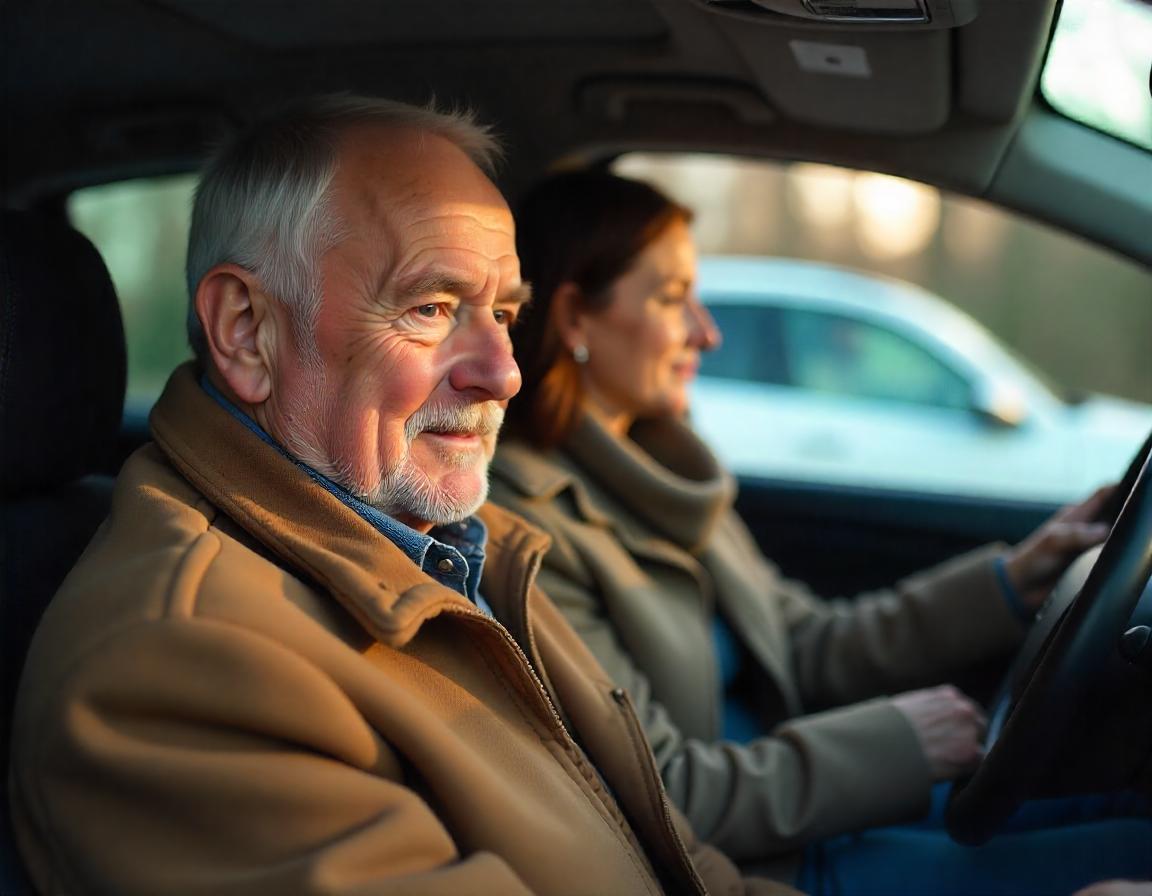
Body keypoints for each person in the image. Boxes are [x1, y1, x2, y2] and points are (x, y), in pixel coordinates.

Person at [8, 97, 794, 896]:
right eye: (431, 308)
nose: (505, 372)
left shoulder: (460, 540)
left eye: (505, 314)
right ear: (246, 330)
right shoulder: (175, 671)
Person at [488, 170, 1152, 894]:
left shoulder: (661, 475)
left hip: (812, 812)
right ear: (575, 319)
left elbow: (806, 646)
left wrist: (1012, 579)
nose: (707, 333)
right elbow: (663, 791)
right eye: (674, 299)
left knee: (1125, 812)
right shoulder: (530, 533)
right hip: (759, 863)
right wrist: (898, 745)